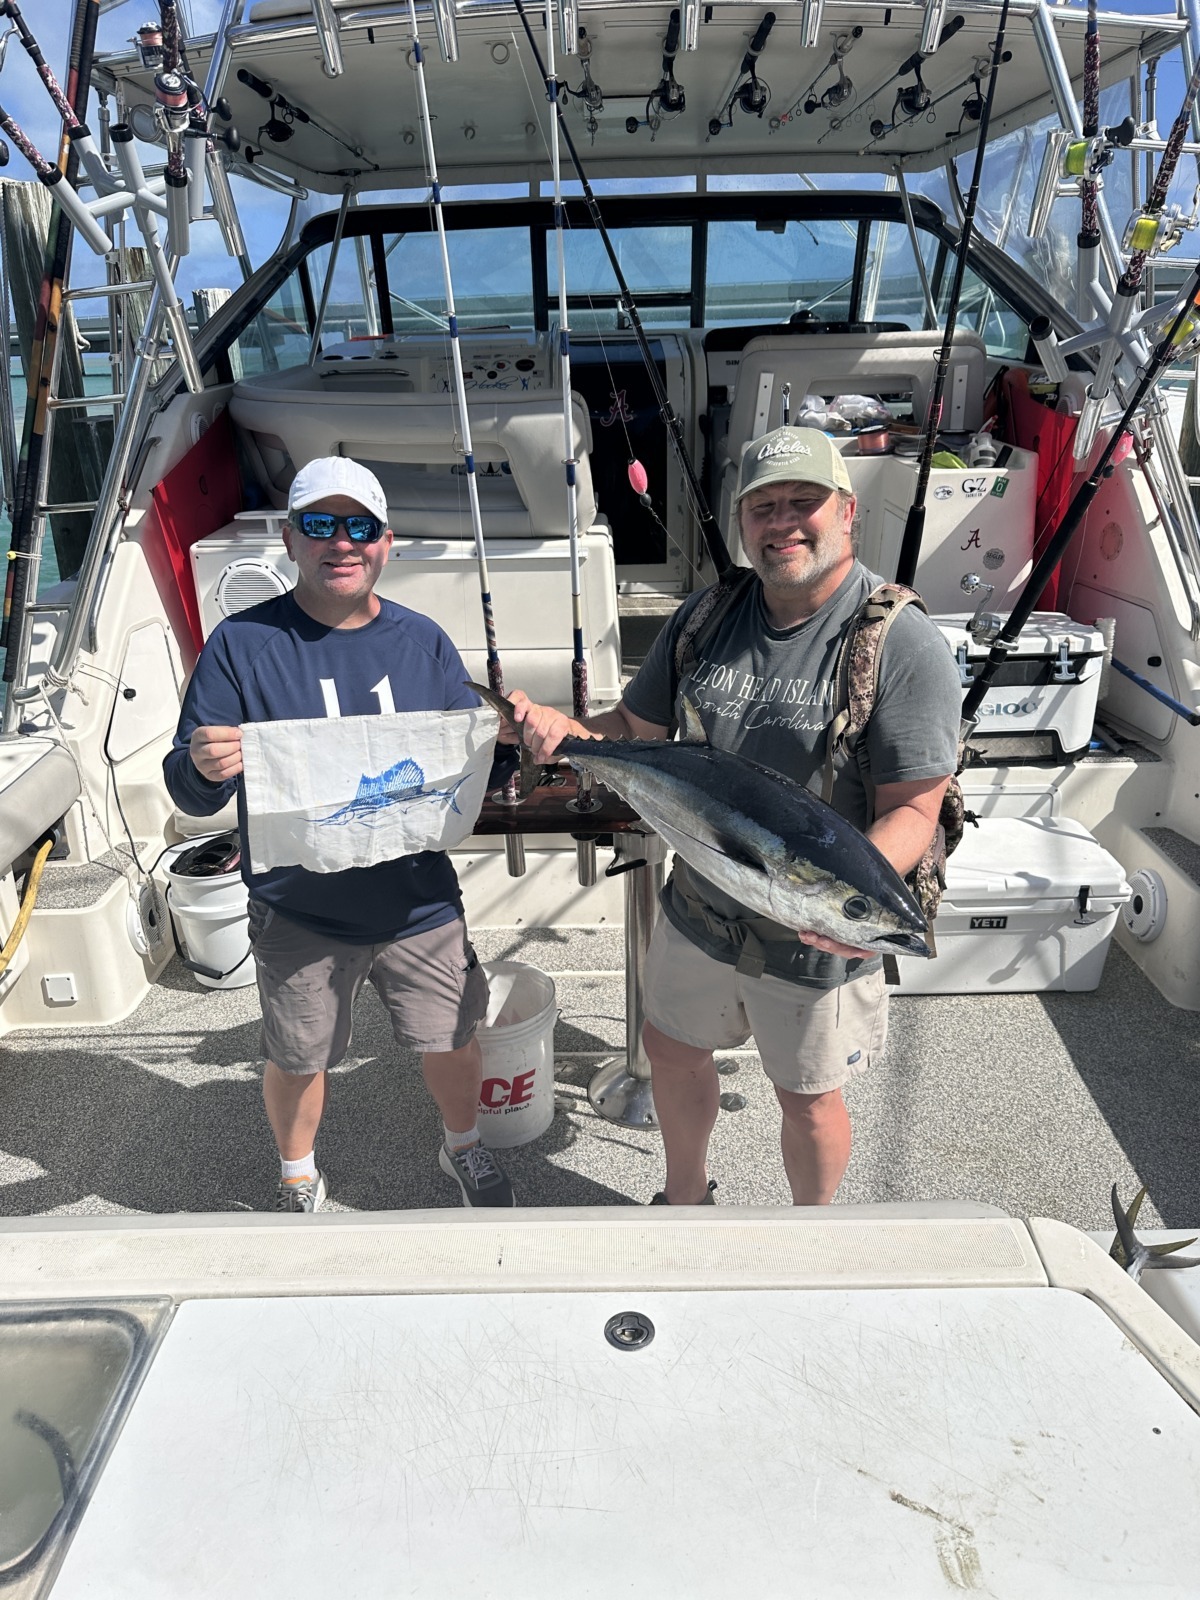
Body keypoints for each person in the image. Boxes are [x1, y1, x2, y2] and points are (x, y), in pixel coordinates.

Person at [505, 425, 961, 1207]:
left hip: (817, 930)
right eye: (763, 507)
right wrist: (556, 732)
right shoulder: (706, 616)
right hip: (702, 907)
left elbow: (915, 807)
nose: (783, 522)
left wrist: (844, 909)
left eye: (804, 503)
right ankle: (686, 1201)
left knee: (809, 1096)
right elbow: (631, 736)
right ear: (744, 522)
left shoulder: (900, 641)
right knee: (671, 1050)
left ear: (847, 512)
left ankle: (809, 1235)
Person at [164, 455, 516, 1213]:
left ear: (385, 543)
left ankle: (465, 1146)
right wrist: (202, 764)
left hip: (419, 902)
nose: (342, 542)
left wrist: (513, 736)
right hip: (297, 908)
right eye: (320, 525)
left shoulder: (423, 642)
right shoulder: (239, 644)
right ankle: (296, 1175)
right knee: (297, 1053)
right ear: (290, 540)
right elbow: (188, 789)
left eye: (359, 526)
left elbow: (469, 750)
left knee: (453, 1037)